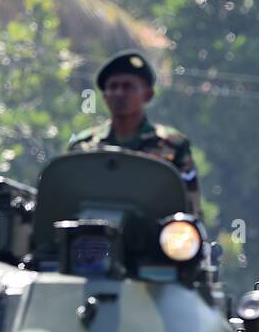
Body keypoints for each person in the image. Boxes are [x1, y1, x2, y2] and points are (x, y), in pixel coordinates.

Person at [68, 49, 201, 215]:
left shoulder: (173, 145)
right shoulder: (84, 146)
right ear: (104, 96)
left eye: (128, 87)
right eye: (113, 87)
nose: (119, 93)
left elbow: (189, 209)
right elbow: (68, 202)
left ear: (148, 95)